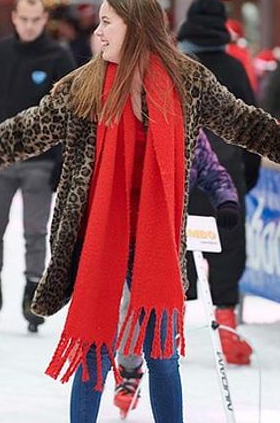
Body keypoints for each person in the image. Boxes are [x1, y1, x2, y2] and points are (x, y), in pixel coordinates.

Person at [0, 0, 280, 423]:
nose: (97, 32)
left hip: (156, 238)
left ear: (135, 28)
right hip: (98, 234)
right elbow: (17, 135)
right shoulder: (82, 86)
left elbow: (243, 121)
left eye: (106, 23)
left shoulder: (187, 81)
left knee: (162, 355)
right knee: (94, 348)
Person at [0, 0, 75, 332]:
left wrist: (63, 160)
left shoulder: (59, 56)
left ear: (44, 20)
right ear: (14, 18)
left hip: (40, 161)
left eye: (35, 19)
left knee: (35, 230)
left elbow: (71, 113)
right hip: (0, 156)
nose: (29, 26)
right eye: (23, 19)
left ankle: (32, 292)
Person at [112, 130, 240, 417]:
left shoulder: (187, 129)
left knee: (166, 308)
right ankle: (129, 370)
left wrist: (226, 201)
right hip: (132, 231)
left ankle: (161, 360)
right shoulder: (129, 125)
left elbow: (212, 171)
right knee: (132, 303)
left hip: (171, 234)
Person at [176, 0, 258, 364]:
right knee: (227, 252)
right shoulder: (235, 69)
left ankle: (168, 335)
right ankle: (227, 333)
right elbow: (253, 128)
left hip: (181, 179)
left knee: (175, 253)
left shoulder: (174, 67)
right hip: (225, 178)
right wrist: (247, 176)